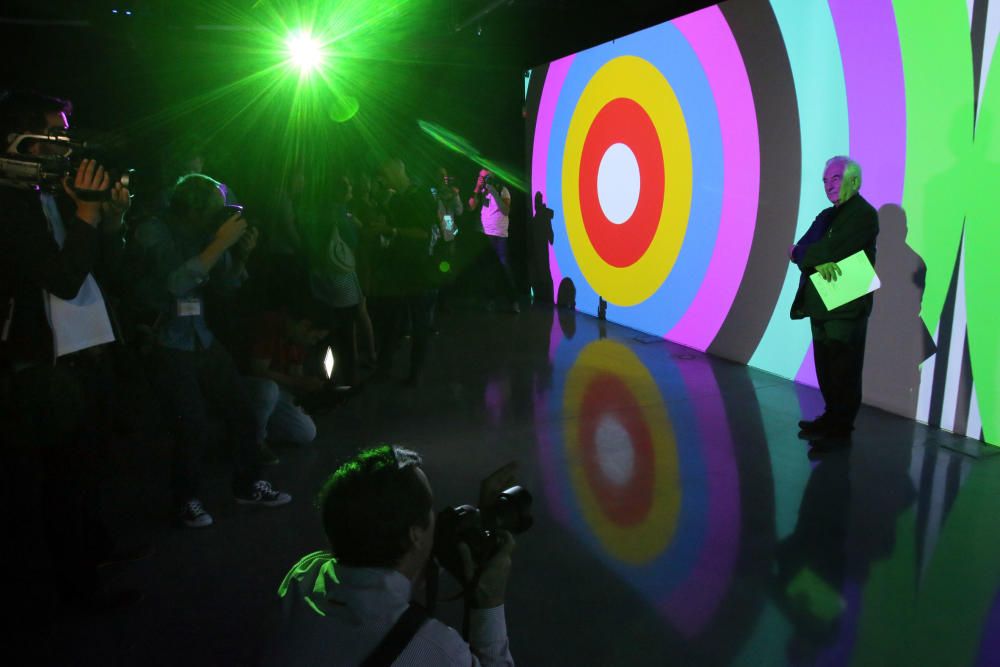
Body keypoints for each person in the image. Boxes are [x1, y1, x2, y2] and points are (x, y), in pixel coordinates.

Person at [0, 91, 140, 620]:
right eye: (53, 136)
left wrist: (107, 220)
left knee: (88, 470)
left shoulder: (50, 193)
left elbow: (107, 271)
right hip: (45, 365)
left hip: (88, 350)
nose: (64, 146)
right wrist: (85, 211)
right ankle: (75, 596)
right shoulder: (9, 204)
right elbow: (59, 277)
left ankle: (95, 553)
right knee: (61, 482)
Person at [131, 173, 291, 528]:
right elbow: (173, 284)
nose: (222, 218)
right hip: (165, 341)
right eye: (216, 211)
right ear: (193, 209)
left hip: (199, 337)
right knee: (191, 425)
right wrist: (218, 245)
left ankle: (248, 483)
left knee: (241, 409)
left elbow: (227, 286)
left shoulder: (206, 238)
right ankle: (186, 500)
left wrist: (241, 255)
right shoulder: (154, 231)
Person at [265, 445, 516, 666]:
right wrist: (489, 602)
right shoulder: (438, 650)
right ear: (415, 535)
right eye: (430, 508)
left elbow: (383, 580)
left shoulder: (304, 576)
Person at [789, 156, 879, 441]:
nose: (829, 185)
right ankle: (830, 418)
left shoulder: (864, 214)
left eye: (836, 178)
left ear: (855, 180)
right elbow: (798, 249)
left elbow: (831, 249)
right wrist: (815, 258)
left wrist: (813, 256)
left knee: (844, 370)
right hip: (820, 303)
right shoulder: (826, 215)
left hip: (846, 307)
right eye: (825, 180)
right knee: (826, 368)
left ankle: (840, 431)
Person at [243, 302, 328, 452]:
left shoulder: (297, 340)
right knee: (268, 389)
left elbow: (296, 375)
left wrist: (309, 389)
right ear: (305, 325)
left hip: (276, 392)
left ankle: (262, 429)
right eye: (315, 337)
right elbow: (258, 370)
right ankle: (254, 442)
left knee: (306, 433)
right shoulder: (270, 325)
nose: (314, 343)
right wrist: (299, 382)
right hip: (249, 386)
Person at [468, 168, 519, 313]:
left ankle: (513, 301)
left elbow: (506, 211)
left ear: (493, 177)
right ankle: (490, 300)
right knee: (487, 271)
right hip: (485, 234)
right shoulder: (481, 191)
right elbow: (471, 207)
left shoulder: (503, 190)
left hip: (499, 235)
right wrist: (477, 189)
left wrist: (493, 191)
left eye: (486, 177)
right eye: (481, 177)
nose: (484, 180)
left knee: (504, 268)